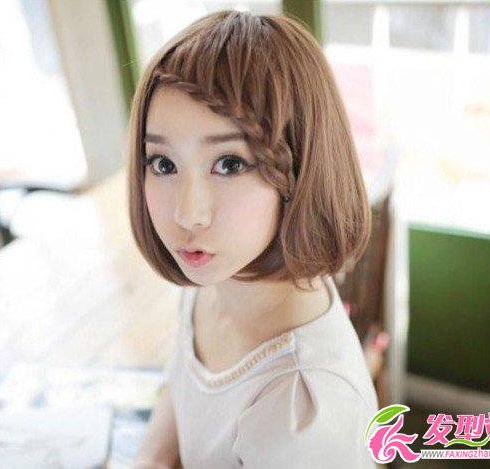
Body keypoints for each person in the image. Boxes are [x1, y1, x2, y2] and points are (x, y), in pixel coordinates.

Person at [128, 10, 378, 468]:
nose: (188, 214)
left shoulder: (304, 415)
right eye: (163, 164)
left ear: (300, 169)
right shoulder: (217, 276)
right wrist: (153, 455)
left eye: (229, 164)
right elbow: (182, 385)